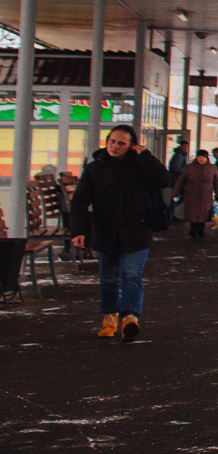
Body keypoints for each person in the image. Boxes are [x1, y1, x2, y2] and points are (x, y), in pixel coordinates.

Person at [70, 124, 169, 342]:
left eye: (121, 143)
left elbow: (164, 179)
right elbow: (79, 201)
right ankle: (109, 317)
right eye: (112, 141)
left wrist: (145, 155)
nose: (115, 146)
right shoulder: (95, 169)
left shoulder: (140, 168)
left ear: (131, 146)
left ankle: (130, 319)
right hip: (105, 232)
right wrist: (78, 230)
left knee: (131, 276)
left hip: (136, 232)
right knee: (108, 279)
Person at [174, 148, 218, 238]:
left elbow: (217, 182)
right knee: (193, 214)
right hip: (192, 194)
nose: (201, 159)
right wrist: (176, 193)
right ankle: (193, 230)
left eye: (203, 157)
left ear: (207, 158)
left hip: (206, 195)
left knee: (204, 213)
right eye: (199, 157)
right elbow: (180, 180)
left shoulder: (212, 168)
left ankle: (201, 230)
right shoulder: (189, 167)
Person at [167, 139, 188, 216]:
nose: (185, 148)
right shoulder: (179, 156)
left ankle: (170, 212)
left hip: (178, 180)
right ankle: (170, 212)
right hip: (177, 180)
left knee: (178, 197)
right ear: (181, 146)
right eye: (184, 146)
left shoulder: (180, 155)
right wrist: (185, 169)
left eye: (187, 147)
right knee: (179, 196)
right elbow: (176, 168)